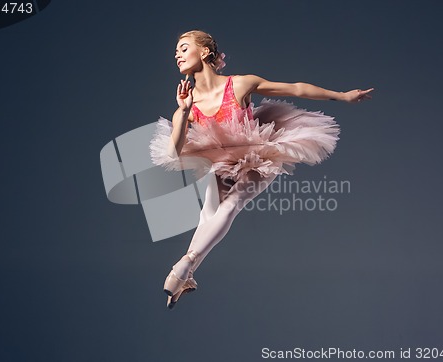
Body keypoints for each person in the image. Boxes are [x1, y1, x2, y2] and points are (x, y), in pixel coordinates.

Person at [149, 30, 373, 309]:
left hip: (258, 153)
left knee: (231, 205)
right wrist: (182, 114)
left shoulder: (239, 84)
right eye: (176, 51)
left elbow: (296, 88)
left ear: (205, 52)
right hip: (222, 160)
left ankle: (185, 266)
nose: (177, 54)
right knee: (207, 213)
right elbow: (172, 153)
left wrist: (342, 96)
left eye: (183, 48)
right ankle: (185, 271)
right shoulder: (188, 104)